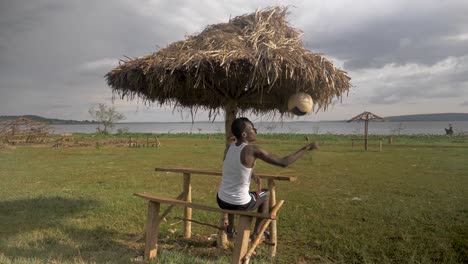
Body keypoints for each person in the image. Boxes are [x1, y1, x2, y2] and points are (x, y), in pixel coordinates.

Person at [217, 117, 319, 240]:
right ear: (244, 134)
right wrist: (307, 148)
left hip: (221, 200)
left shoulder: (229, 147)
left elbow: (235, 165)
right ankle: (256, 235)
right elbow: (283, 162)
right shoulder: (252, 150)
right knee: (266, 194)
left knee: (232, 196)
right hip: (240, 204)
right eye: (253, 128)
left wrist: (252, 173)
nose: (255, 130)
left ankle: (230, 230)